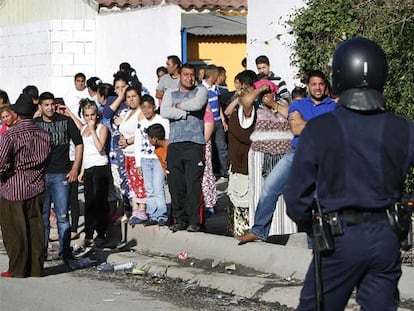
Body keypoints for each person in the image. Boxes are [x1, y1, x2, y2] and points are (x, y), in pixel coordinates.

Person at [284, 37, 410, 311]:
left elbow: (295, 197)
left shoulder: (320, 128)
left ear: (338, 76)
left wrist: (313, 225)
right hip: (386, 236)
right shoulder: (404, 130)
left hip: (339, 236)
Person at [236, 70, 336, 243]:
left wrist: (306, 123)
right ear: (308, 86)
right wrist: (324, 124)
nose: (318, 88)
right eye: (314, 84)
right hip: (297, 153)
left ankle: (315, 244)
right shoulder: (298, 105)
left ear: (325, 86)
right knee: (270, 187)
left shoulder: (335, 107)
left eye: (321, 84)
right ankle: (259, 230)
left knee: (316, 200)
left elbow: (332, 130)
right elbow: (296, 129)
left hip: (323, 157)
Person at [0, 93, 51, 277]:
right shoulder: (44, 134)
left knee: (14, 231)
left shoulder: (10, 135)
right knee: (35, 229)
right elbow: (47, 160)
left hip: (13, 187)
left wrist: (6, 172)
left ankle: (18, 269)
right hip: (36, 185)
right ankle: (36, 268)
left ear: (17, 114)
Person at [34, 91, 83, 262]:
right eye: (46, 105)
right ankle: (42, 253)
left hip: (61, 173)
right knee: (43, 216)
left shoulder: (66, 121)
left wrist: (75, 167)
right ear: (40, 106)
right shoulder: (35, 124)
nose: (50, 108)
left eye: (52, 104)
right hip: (41, 176)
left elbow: (79, 143)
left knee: (62, 216)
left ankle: (65, 253)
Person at [161, 63, 208, 232]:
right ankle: (179, 219)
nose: (189, 78)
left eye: (192, 75)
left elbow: (197, 105)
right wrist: (183, 113)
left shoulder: (201, 91)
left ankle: (196, 221)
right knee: (176, 184)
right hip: (175, 144)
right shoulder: (170, 93)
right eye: (186, 74)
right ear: (179, 76)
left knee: (193, 184)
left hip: (195, 143)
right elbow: (165, 111)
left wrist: (179, 106)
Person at [76, 99, 111, 246]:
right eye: (87, 115)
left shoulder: (102, 128)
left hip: (100, 166)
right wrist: (82, 170)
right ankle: (89, 233)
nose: (90, 118)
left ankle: (101, 232)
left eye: (92, 115)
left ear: (97, 115)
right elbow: (84, 151)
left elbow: (99, 147)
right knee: (89, 202)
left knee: (100, 201)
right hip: (89, 167)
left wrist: (92, 130)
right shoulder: (83, 129)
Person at [134, 94, 169, 226]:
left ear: (154, 107)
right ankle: (153, 214)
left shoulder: (162, 121)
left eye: (149, 107)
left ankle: (161, 214)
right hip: (145, 159)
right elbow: (137, 144)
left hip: (158, 158)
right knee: (149, 189)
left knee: (158, 187)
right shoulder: (140, 124)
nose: (147, 110)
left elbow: (166, 141)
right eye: (143, 108)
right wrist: (138, 164)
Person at [201, 64, 229, 179]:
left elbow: (218, 104)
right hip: (207, 123)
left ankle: (225, 171)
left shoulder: (215, 88)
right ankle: (209, 172)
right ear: (212, 76)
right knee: (208, 149)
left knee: (222, 147)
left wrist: (223, 119)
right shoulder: (201, 89)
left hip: (218, 121)